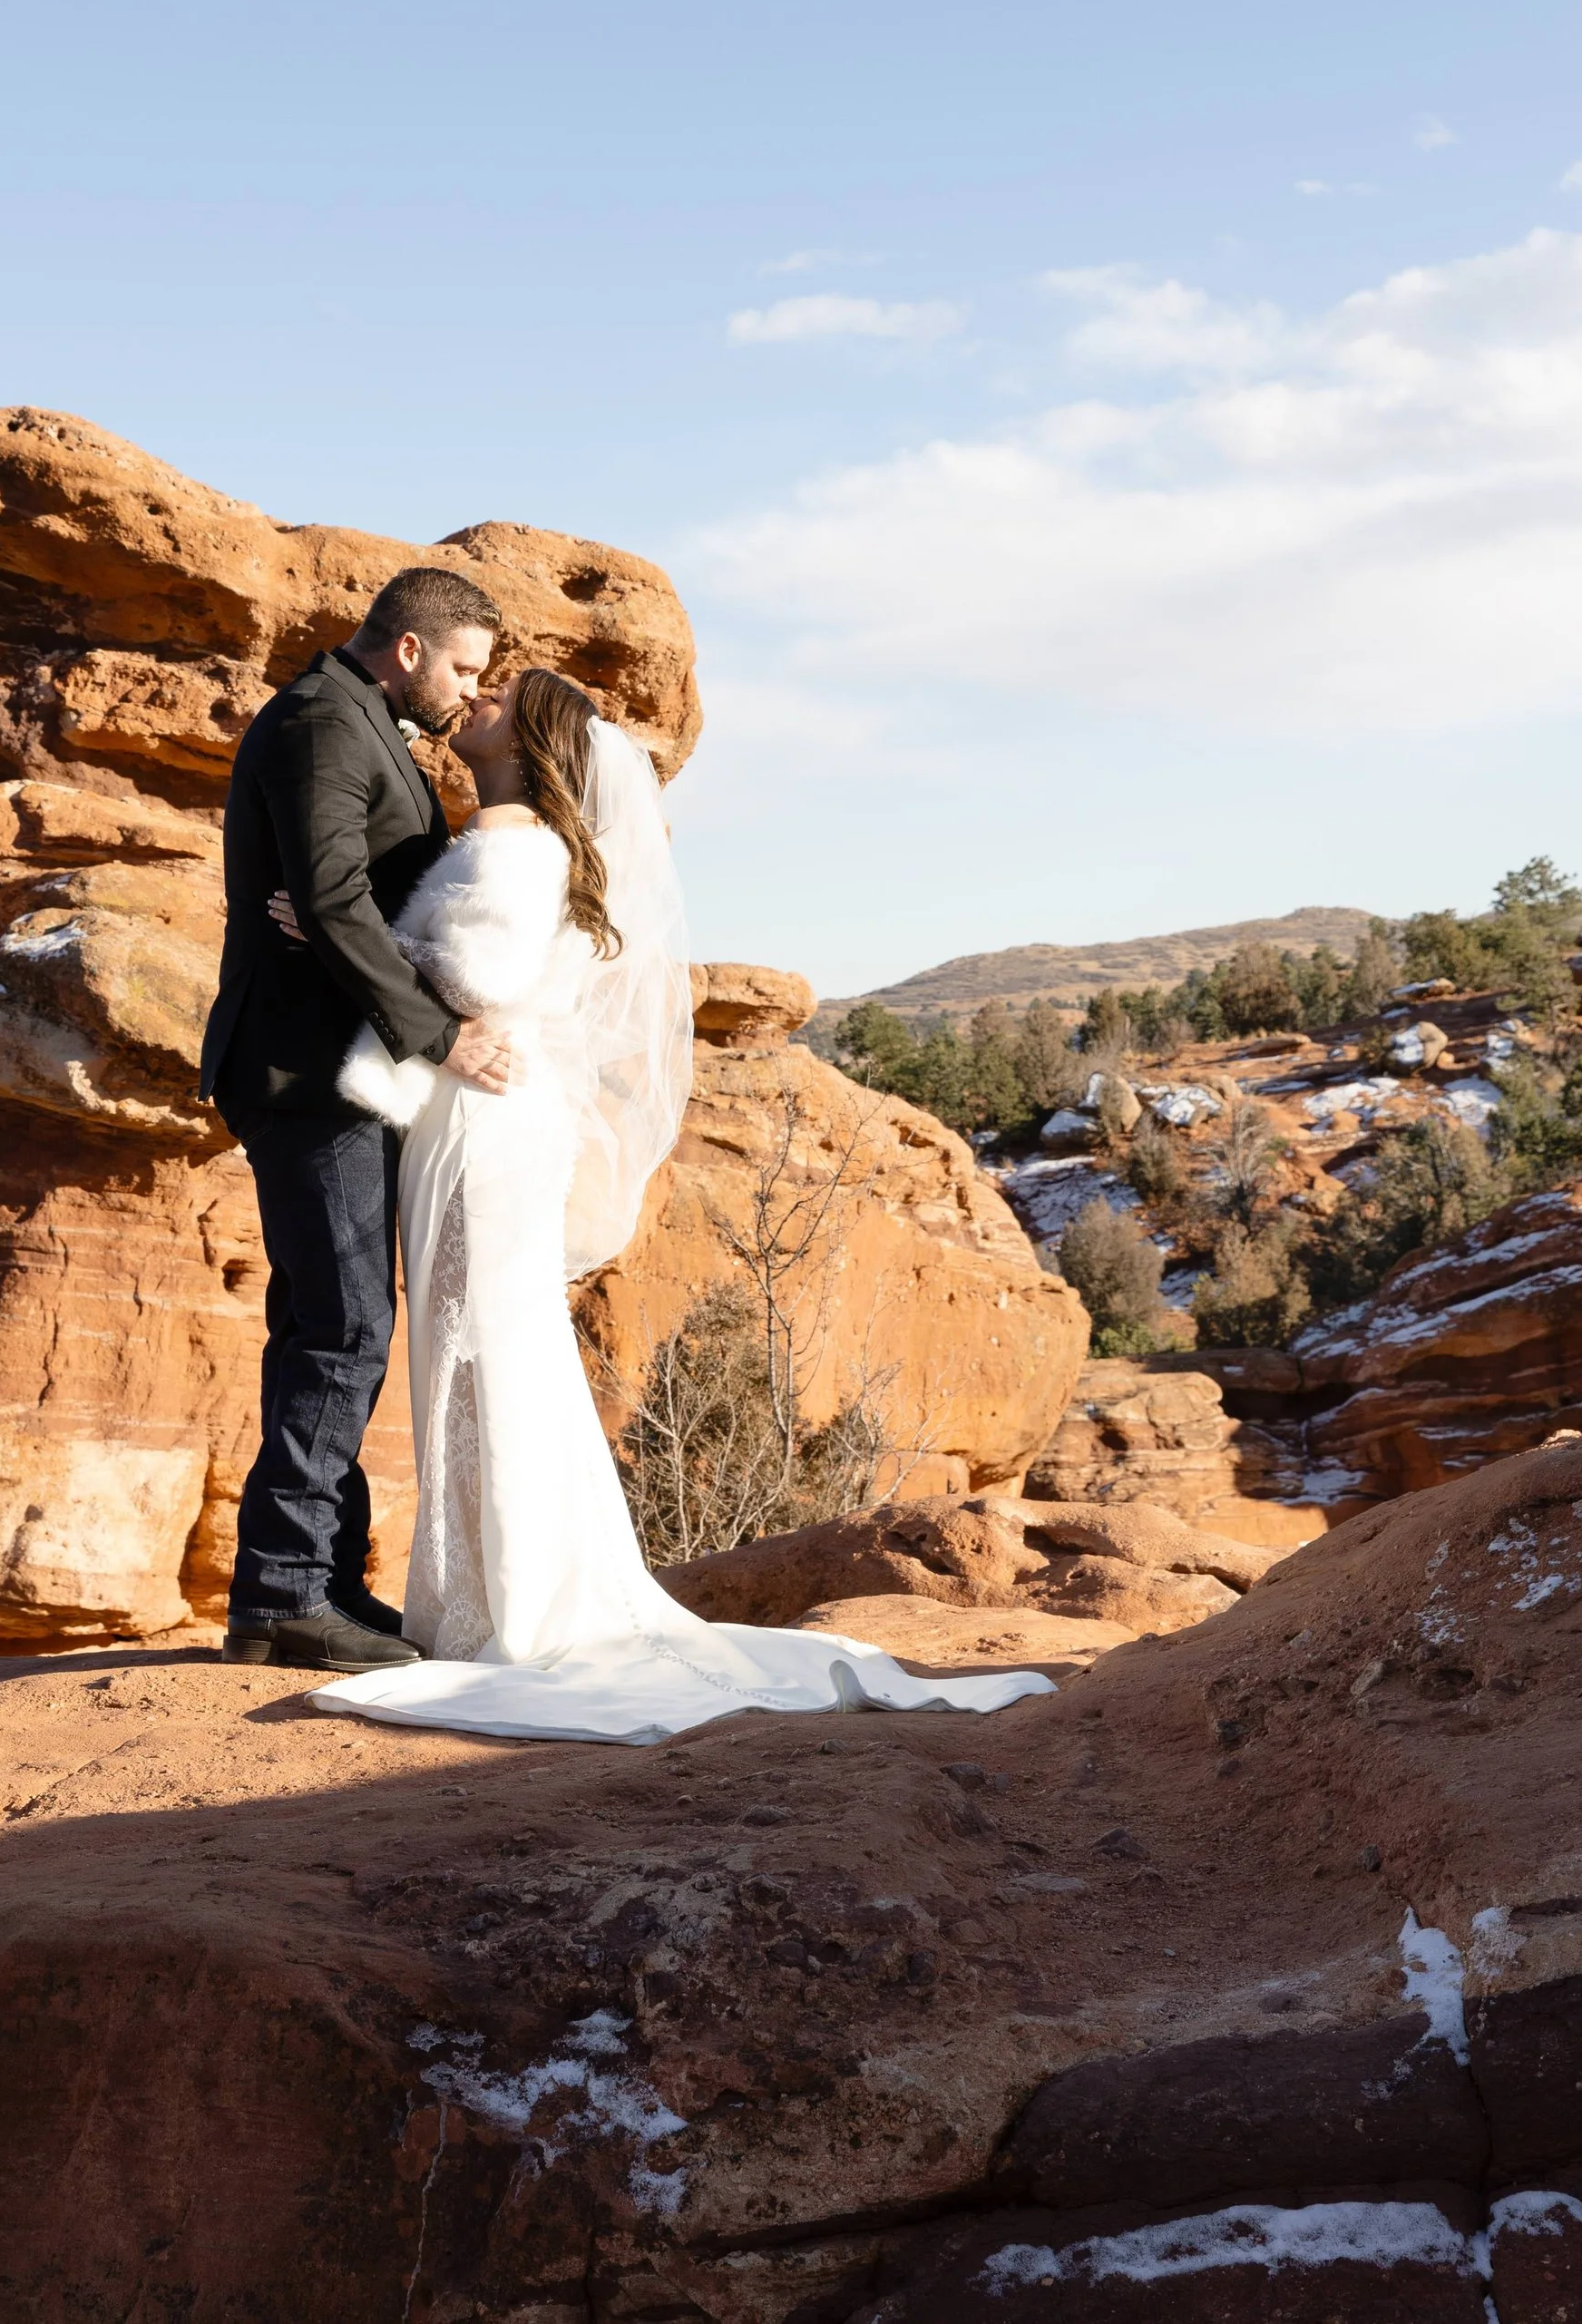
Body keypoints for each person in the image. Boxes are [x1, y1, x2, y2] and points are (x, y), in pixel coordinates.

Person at [308, 666, 1056, 1743]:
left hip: (483, 1130)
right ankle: (488, 1599)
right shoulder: (517, 836)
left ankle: (508, 1611)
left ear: (532, 746)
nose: (475, 705)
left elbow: (479, 977)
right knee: (483, 1351)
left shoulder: (516, 841)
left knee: (483, 1351)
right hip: (478, 1123)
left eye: (498, 702)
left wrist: (349, 942)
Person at [200, 563, 514, 1671]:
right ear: (414, 648)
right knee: (339, 1327)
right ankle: (283, 1595)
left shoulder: (360, 719)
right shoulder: (323, 722)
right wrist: (444, 1033)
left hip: (340, 1064)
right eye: (466, 665)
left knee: (339, 1319)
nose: (470, 690)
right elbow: (330, 900)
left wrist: (354, 918)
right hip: (305, 1070)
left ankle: (324, 1578)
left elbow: (346, 897)